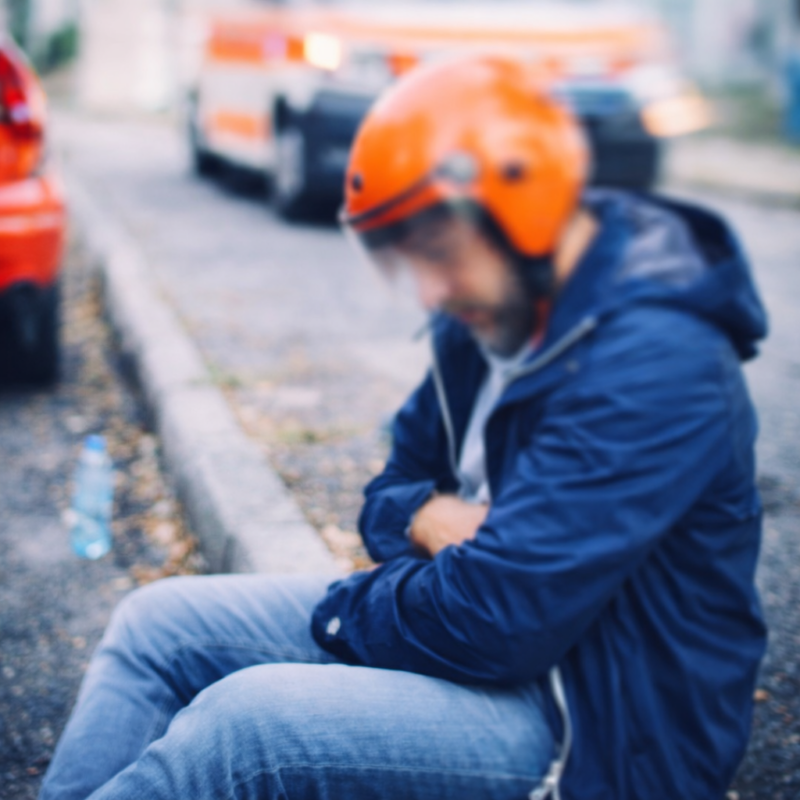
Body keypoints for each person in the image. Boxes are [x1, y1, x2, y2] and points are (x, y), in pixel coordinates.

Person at [40, 56, 768, 800]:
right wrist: (425, 513)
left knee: (249, 726)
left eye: (439, 254)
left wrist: (343, 615)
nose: (427, 289)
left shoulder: (657, 362)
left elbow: (499, 619)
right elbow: (388, 495)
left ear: (528, 207)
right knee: (157, 626)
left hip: (596, 721)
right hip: (478, 636)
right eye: (407, 261)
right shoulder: (485, 311)